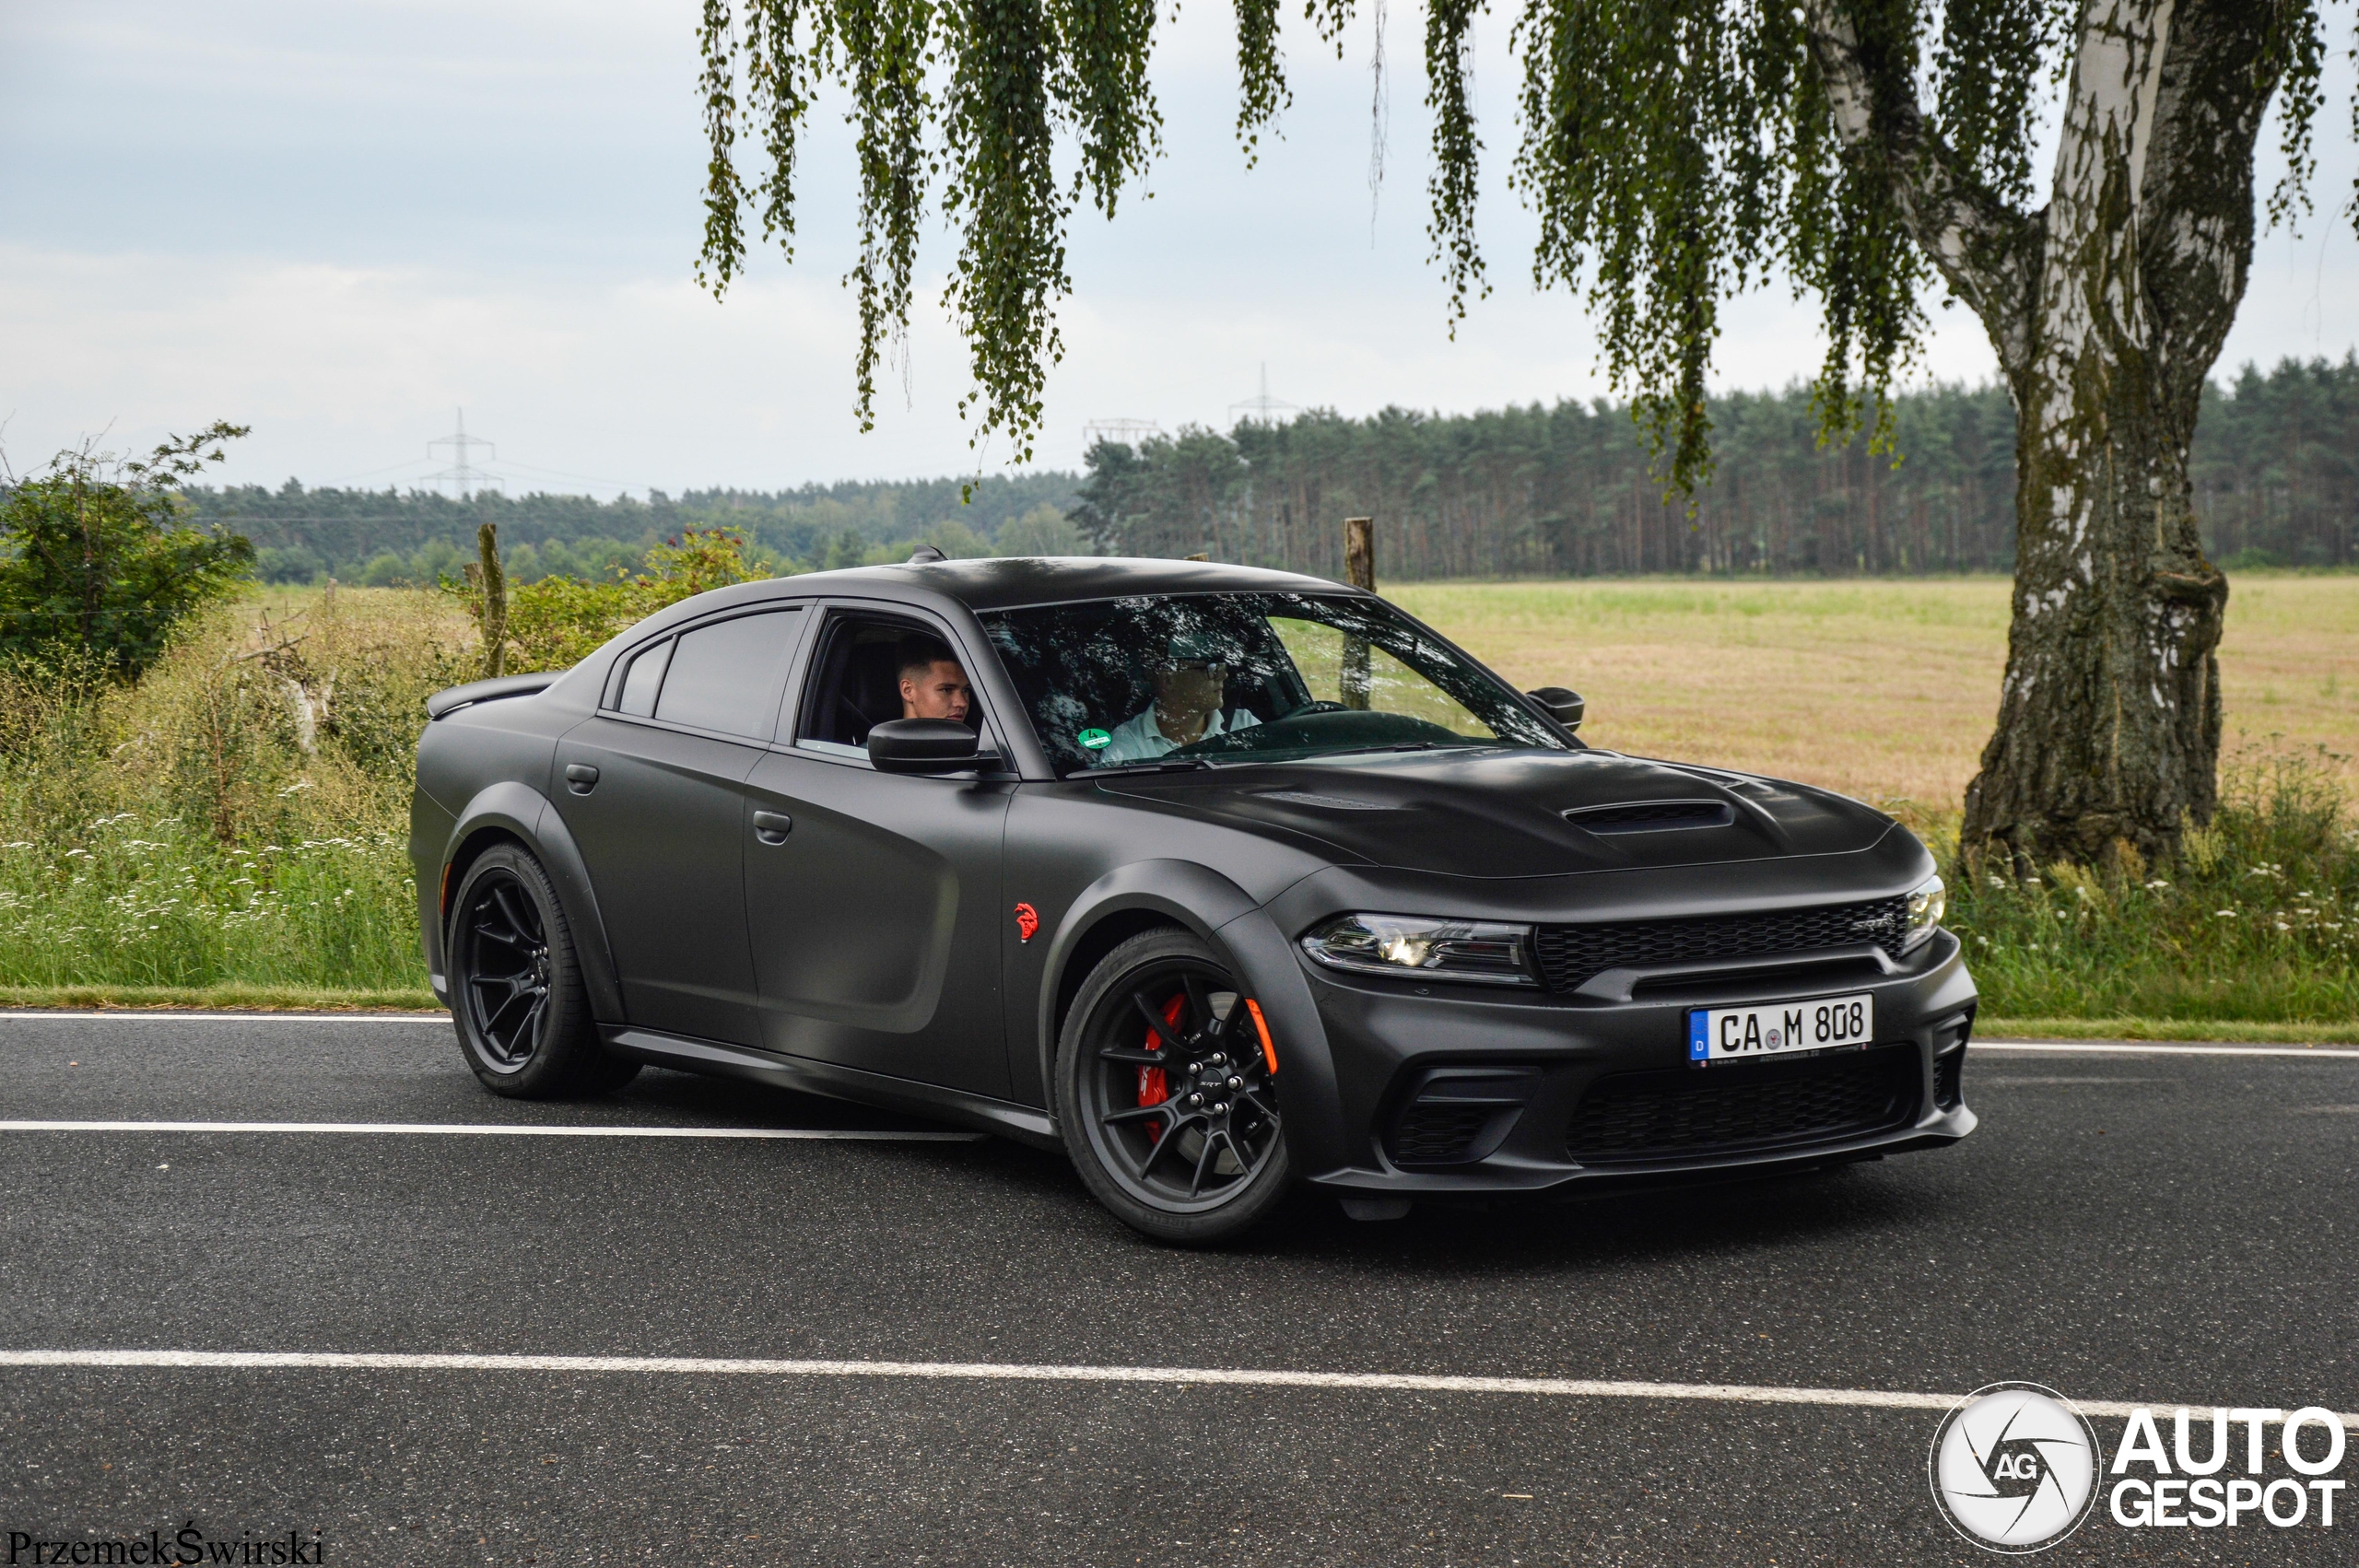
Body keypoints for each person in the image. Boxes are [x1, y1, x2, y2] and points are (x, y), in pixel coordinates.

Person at [1097, 633, 1259, 764]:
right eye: (1210, 668)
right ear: (1168, 679)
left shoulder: (1245, 725)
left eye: (1221, 666)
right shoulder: (1127, 745)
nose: (1223, 675)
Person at [898, 637, 973, 725]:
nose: (962, 703)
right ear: (908, 691)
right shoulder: (884, 738)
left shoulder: (985, 737)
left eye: (965, 690)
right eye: (947, 690)